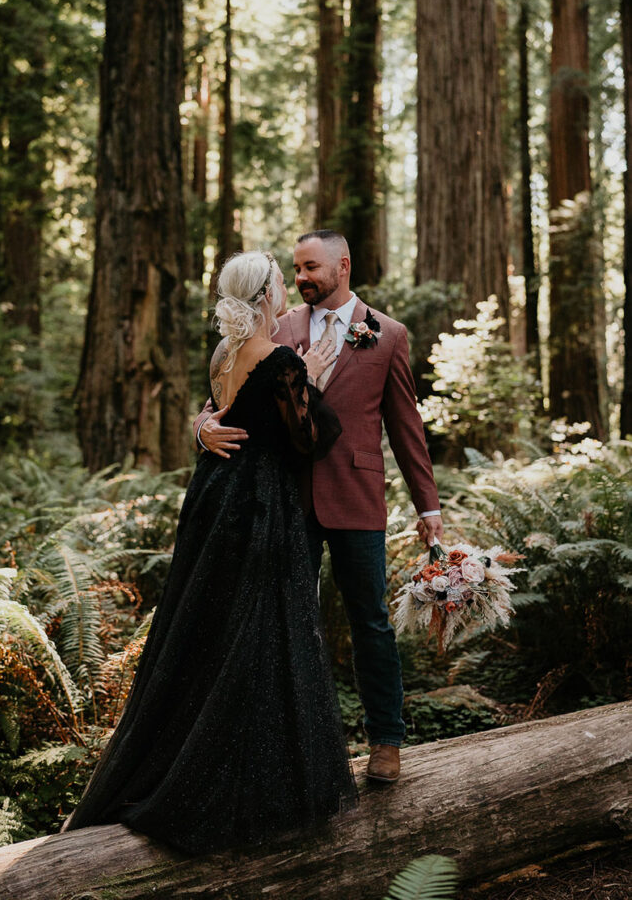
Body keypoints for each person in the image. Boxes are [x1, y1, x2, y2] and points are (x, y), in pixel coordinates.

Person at [63, 250, 358, 853]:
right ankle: (240, 786)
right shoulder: (277, 359)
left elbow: (222, 412)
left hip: (212, 499)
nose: (286, 287)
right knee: (260, 631)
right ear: (266, 296)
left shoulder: (225, 353)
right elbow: (307, 440)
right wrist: (313, 380)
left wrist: (205, 425)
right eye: (280, 280)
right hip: (257, 507)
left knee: (211, 628)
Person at [196, 231, 443, 785]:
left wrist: (428, 507)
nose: (302, 277)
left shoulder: (388, 335)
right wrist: (202, 429)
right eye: (296, 269)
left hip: (357, 498)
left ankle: (386, 741)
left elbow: (406, 429)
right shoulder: (273, 328)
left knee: (371, 623)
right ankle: (292, 747)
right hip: (285, 499)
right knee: (286, 623)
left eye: (311, 267)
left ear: (343, 266)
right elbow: (221, 402)